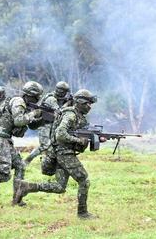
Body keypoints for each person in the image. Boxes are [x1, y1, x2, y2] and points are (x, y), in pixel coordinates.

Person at [14, 89, 99, 219]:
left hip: (62, 153)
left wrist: (96, 138)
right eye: (87, 103)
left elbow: (78, 132)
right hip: (64, 153)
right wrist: (78, 140)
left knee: (59, 187)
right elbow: (60, 134)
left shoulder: (77, 115)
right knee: (83, 180)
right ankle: (82, 213)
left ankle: (25, 187)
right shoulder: (70, 115)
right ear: (80, 102)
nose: (89, 107)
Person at [24, 81, 72, 165]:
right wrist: (67, 104)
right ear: (61, 91)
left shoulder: (61, 98)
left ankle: (45, 162)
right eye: (64, 92)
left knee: (52, 146)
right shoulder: (51, 98)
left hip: (52, 125)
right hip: (45, 124)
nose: (65, 94)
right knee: (45, 146)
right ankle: (27, 160)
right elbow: (59, 111)